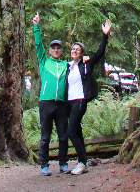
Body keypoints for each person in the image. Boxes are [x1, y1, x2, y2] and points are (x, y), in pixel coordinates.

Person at [66, 19, 112, 175]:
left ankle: (81, 162)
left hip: (80, 101)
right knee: (77, 131)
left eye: (78, 49)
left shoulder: (86, 64)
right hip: (68, 103)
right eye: (73, 48)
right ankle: (83, 162)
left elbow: (99, 53)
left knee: (70, 131)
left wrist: (105, 35)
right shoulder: (66, 67)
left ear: (82, 53)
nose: (75, 50)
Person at [32, 12, 70, 176]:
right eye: (53, 48)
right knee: (45, 136)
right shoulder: (44, 61)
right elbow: (38, 45)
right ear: (49, 50)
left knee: (63, 135)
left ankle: (63, 163)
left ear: (61, 51)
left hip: (61, 103)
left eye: (58, 48)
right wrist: (36, 26)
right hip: (46, 102)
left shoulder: (65, 65)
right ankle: (44, 164)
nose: (55, 50)